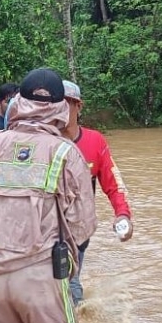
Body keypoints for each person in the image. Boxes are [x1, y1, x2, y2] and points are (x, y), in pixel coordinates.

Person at [0, 68, 97, 323]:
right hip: (43, 277)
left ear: (18, 102)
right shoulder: (65, 153)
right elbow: (82, 226)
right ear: (61, 108)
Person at [62, 80, 134, 305]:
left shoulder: (95, 141)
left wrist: (123, 214)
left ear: (79, 107)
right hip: (44, 228)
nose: (61, 110)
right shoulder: (42, 142)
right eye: (56, 104)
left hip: (78, 230)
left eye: (67, 104)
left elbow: (114, 183)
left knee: (70, 283)